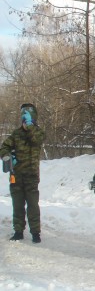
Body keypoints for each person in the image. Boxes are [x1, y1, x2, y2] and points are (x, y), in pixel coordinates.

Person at [1, 103, 45, 243]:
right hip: (16, 176)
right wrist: (7, 156)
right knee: (18, 205)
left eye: (28, 119)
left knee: (33, 206)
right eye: (24, 120)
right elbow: (4, 147)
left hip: (31, 176)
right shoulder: (16, 134)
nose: (25, 123)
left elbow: (37, 140)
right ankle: (18, 231)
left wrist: (31, 126)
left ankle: (35, 233)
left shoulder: (38, 132)